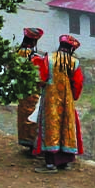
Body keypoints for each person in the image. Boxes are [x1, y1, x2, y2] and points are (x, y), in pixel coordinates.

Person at [33, 33, 84, 172]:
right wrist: (73, 96)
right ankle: (65, 162)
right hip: (67, 101)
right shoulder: (74, 62)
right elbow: (78, 83)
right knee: (66, 127)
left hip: (51, 99)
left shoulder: (49, 58)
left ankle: (51, 164)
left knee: (51, 127)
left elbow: (41, 77)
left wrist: (41, 86)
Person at [15, 27, 46, 153]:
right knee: (32, 115)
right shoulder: (34, 57)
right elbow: (39, 76)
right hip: (32, 89)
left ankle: (25, 140)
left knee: (23, 114)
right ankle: (33, 142)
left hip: (21, 88)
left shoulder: (18, 53)